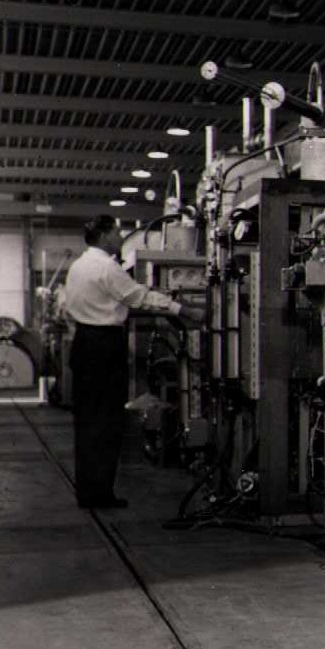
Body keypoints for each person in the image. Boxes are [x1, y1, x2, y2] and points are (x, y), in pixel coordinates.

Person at [60, 215, 192, 509]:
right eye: (117, 232)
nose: (120, 237)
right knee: (107, 421)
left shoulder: (78, 266)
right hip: (104, 345)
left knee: (87, 421)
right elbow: (137, 296)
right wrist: (180, 308)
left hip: (84, 343)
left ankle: (88, 491)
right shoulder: (107, 267)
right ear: (104, 234)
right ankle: (102, 494)